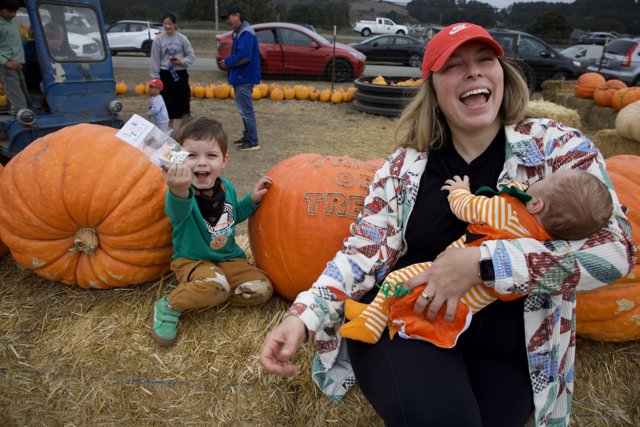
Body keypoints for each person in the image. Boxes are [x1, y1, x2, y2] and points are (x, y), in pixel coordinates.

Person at [259, 22, 635, 426]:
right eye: (454, 65)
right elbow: (361, 252)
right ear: (433, 87)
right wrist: (304, 315)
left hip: (511, 343)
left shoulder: (557, 147)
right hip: (409, 320)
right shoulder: (404, 168)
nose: (472, 71)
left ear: (501, 74)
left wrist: (483, 263)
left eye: (484, 60)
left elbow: (616, 251)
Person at [340, 170, 613, 347]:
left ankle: (371, 323)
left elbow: (466, 208)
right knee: (421, 306)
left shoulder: (503, 211)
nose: (536, 181)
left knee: (401, 279)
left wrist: (459, 189)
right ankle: (386, 318)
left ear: (536, 204)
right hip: (475, 302)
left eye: (543, 182)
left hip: (445, 271)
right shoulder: (545, 244)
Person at [150, 116, 273, 346]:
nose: (201, 163)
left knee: (262, 290)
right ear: (177, 159)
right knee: (215, 285)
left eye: (211, 155)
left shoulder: (227, 187)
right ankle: (169, 305)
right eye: (191, 155)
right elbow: (178, 213)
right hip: (193, 261)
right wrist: (178, 190)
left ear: (224, 160)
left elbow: (231, 215)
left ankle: (215, 292)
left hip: (228, 259)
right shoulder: (180, 193)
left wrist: (252, 200)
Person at [217, 4, 261, 152]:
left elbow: (245, 56)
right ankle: (247, 136)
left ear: (236, 15)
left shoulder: (246, 33)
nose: (228, 20)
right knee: (243, 110)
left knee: (247, 111)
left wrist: (227, 62)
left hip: (244, 77)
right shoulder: (239, 32)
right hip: (240, 77)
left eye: (229, 17)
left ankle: (253, 141)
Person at [150, 13, 194, 130]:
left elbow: (191, 56)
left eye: (170, 23)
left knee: (183, 103)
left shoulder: (182, 39)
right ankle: (168, 132)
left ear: (174, 24)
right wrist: (155, 77)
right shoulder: (158, 40)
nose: (167, 26)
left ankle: (184, 131)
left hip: (180, 75)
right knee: (167, 105)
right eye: (165, 23)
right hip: (165, 75)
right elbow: (155, 59)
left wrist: (180, 62)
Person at [0, 0, 29, 115]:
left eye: (15, 11)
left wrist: (28, 37)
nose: (13, 14)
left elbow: (16, 43)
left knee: (22, 93)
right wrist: (6, 62)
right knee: (17, 97)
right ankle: (21, 119)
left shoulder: (11, 23)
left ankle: (21, 114)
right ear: (0, 10)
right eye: (9, 11)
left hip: (17, 65)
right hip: (7, 66)